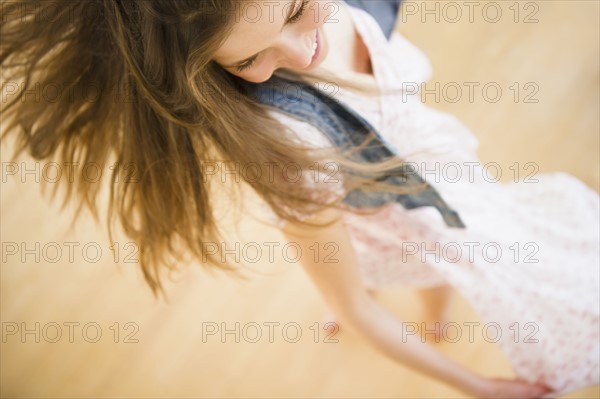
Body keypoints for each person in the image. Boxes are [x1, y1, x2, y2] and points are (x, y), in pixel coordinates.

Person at [1, 1, 597, 398]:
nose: (299, 52)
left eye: (294, 11)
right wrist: (481, 387)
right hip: (376, 219)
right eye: (250, 59)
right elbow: (360, 310)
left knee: (438, 268)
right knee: (389, 273)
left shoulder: (353, 10)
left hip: (444, 179)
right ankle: (396, 304)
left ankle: (431, 318)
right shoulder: (292, 149)